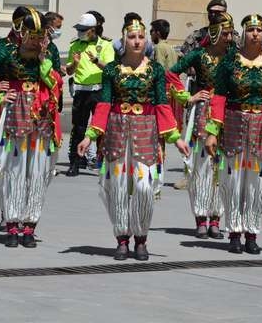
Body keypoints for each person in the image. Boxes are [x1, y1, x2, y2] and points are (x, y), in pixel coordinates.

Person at [77, 15, 189, 261]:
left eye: (140, 37)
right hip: (116, 133)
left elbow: (162, 105)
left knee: (144, 187)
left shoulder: (156, 70)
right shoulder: (112, 69)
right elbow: (104, 105)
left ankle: (141, 238)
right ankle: (122, 239)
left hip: (146, 133)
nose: (136, 41)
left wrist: (176, 138)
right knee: (117, 188)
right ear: (124, 40)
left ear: (146, 40)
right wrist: (90, 135)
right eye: (131, 37)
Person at [0, 6, 63, 248]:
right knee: (11, 168)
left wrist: (43, 63)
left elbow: (57, 81)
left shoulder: (49, 51)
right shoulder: (5, 50)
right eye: (33, 36)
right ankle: (11, 222)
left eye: (41, 37)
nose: (37, 42)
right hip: (12, 114)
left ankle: (30, 225)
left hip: (41, 117)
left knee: (38, 171)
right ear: (20, 31)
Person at [205, 14, 262, 254]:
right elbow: (219, 99)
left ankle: (251, 233)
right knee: (234, 182)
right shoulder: (229, 62)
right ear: (243, 33)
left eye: (259, 30)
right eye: (251, 30)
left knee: (256, 182)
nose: (255, 34)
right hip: (234, 123)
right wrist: (213, 131)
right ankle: (233, 232)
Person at [166, 12, 235, 239]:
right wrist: (188, 97)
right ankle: (200, 217)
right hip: (204, 112)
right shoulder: (198, 54)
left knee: (222, 167)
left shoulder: (235, 56)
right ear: (214, 34)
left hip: (227, 113)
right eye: (225, 33)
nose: (229, 38)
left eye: (230, 33)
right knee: (201, 166)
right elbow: (170, 73)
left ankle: (216, 218)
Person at [65, 13, 115, 177]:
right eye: (79, 29)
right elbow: (69, 70)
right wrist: (75, 64)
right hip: (81, 91)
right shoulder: (75, 44)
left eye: (83, 30)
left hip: (99, 91)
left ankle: (102, 164)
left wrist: (96, 61)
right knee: (78, 128)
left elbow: (110, 68)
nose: (80, 32)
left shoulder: (106, 44)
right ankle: (75, 163)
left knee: (100, 129)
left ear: (93, 30)